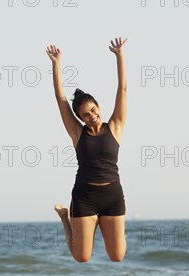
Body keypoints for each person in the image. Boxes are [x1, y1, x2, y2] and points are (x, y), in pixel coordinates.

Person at [47, 38, 128, 263]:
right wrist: (56, 63)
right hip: (85, 196)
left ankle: (116, 230)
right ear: (80, 118)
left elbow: (122, 89)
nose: (92, 116)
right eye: (86, 114)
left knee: (117, 256)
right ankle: (65, 218)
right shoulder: (77, 133)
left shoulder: (115, 126)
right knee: (81, 257)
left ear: (99, 107)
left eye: (94, 110)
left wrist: (119, 55)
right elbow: (60, 98)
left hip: (112, 195)